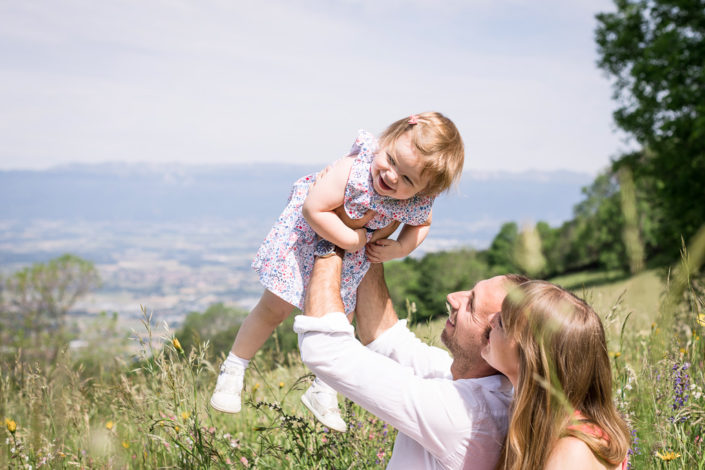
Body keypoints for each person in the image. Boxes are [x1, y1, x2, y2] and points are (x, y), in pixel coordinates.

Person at [211, 112, 465, 432]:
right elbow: (313, 207)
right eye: (391, 159)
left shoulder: (412, 202)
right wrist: (353, 239)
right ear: (386, 141)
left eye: (408, 179)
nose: (391, 175)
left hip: (348, 263)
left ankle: (323, 389)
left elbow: (422, 224)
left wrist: (402, 247)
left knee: (341, 322)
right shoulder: (354, 171)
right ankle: (234, 367)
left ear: (422, 192)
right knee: (273, 309)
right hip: (305, 243)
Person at [295, 250, 528, 469]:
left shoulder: (466, 416)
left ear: (493, 340)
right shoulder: (472, 384)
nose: (453, 298)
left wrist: (330, 244)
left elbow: (324, 348)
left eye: (471, 304)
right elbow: (385, 338)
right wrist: (365, 240)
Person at [482, 280, 630, 470]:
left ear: (531, 357)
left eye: (502, 322)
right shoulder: (542, 423)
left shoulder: (572, 453)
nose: (490, 320)